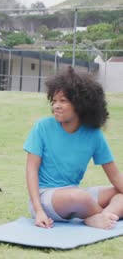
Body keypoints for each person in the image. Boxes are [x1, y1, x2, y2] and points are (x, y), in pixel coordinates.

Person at [24, 66, 123, 230]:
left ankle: (101, 217)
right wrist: (39, 210)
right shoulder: (42, 127)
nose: (56, 106)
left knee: (117, 194)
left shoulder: (93, 135)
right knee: (79, 197)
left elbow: (115, 176)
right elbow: (31, 171)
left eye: (63, 101)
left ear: (80, 104)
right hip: (46, 197)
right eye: (54, 101)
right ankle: (95, 218)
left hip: (76, 194)